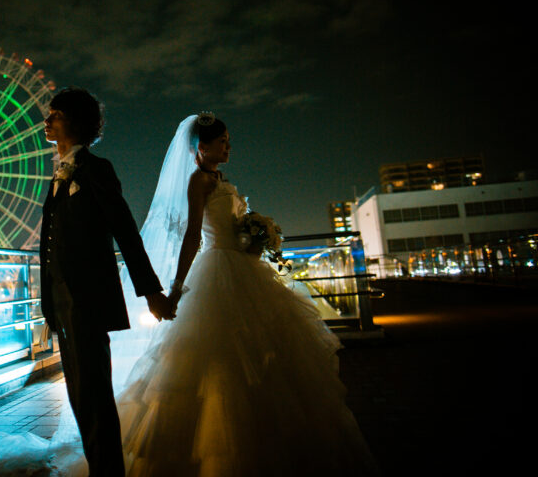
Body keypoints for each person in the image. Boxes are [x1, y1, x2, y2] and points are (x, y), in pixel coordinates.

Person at [113, 112, 378, 475]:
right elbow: (193, 235)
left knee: (266, 357)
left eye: (227, 140)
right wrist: (176, 288)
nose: (229, 146)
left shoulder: (221, 179)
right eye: (222, 141)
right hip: (217, 270)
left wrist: (255, 237)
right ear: (201, 148)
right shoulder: (198, 182)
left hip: (243, 267)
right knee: (221, 362)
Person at [38, 87, 175, 477]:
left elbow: (125, 230)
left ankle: (108, 472)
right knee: (79, 395)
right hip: (63, 301)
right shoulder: (59, 174)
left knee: (94, 394)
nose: (46, 120)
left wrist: (151, 291)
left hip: (88, 299)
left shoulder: (97, 169)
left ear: (76, 122)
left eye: (55, 113)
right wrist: (48, 300)